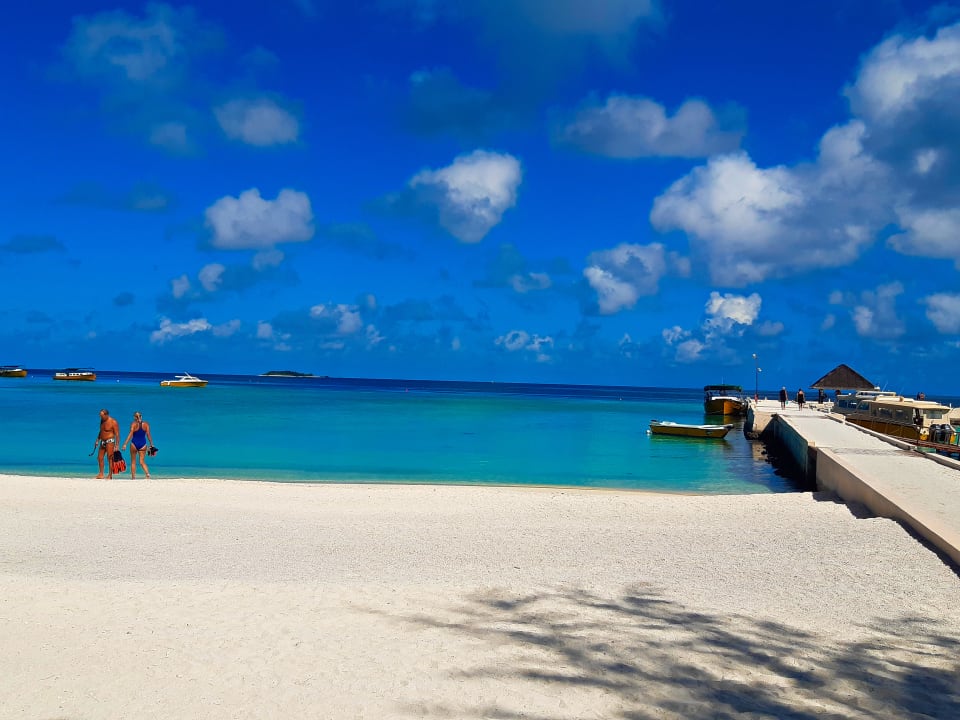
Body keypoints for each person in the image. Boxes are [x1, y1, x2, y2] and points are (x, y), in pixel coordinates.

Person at [121, 411, 154, 479]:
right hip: (143, 444)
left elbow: (130, 434)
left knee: (133, 462)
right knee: (142, 461)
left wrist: (125, 444)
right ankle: (147, 474)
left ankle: (133, 477)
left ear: (134, 417)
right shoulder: (146, 424)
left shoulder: (133, 424)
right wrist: (151, 444)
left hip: (134, 444)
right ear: (141, 416)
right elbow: (148, 435)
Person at [94, 408, 120, 479]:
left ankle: (110, 475)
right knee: (99, 457)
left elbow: (117, 434)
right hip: (102, 441)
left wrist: (117, 445)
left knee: (110, 458)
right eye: (100, 416)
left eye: (102, 416)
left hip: (110, 441)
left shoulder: (113, 422)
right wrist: (97, 440)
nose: (100, 417)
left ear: (106, 415)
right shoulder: (102, 420)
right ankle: (101, 474)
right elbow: (101, 431)